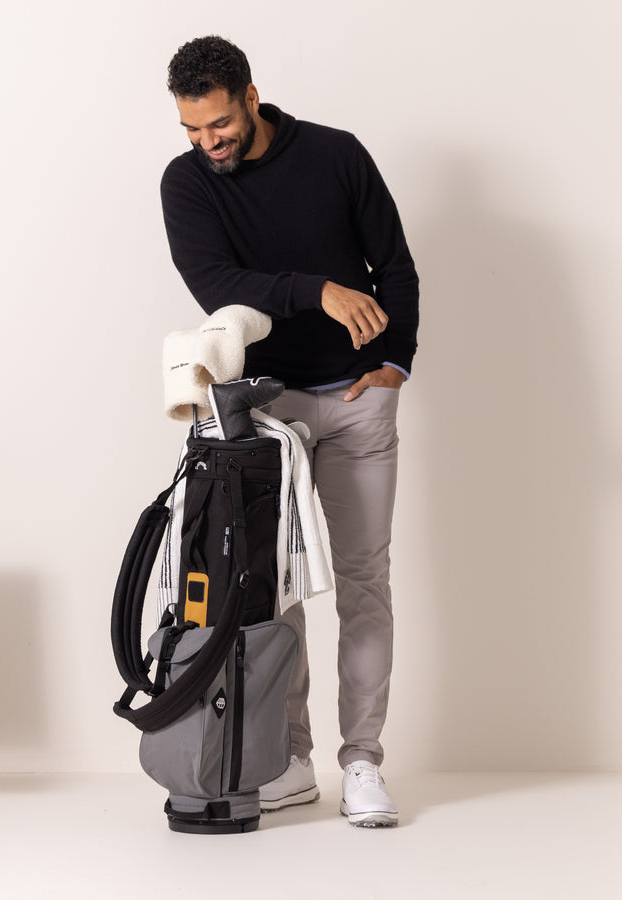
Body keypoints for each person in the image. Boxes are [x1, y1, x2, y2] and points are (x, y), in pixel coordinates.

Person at [160, 35, 419, 827]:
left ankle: (363, 762)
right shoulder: (186, 183)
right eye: (192, 130)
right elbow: (217, 283)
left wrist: (396, 362)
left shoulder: (336, 156)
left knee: (364, 583)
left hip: (357, 399)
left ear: (250, 96)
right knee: (273, 592)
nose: (208, 143)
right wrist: (319, 290)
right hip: (265, 415)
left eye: (219, 125)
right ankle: (291, 760)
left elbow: (395, 265)